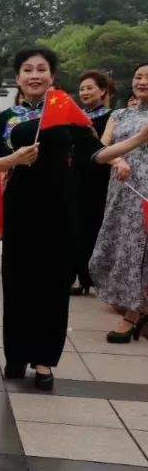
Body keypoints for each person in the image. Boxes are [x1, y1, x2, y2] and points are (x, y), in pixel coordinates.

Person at [0, 48, 104, 391]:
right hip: (21, 209)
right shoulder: (6, 118)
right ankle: (17, 355)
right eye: (27, 69)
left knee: (53, 286)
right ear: (18, 77)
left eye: (41, 69)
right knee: (19, 282)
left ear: (52, 76)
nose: (34, 75)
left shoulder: (68, 113)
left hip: (61, 210)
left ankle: (44, 361)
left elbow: (96, 154)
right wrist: (16, 159)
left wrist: (134, 144)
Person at [90, 62, 148, 341]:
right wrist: (118, 158)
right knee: (114, 247)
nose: (143, 81)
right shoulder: (120, 114)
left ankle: (133, 316)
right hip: (121, 190)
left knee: (138, 250)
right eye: (139, 76)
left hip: (145, 195)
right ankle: (132, 304)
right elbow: (102, 146)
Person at [70, 70, 115, 296]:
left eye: (90, 88)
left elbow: (106, 148)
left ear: (103, 91)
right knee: (75, 225)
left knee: (94, 226)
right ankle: (78, 275)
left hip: (100, 177)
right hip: (76, 176)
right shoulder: (75, 116)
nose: (85, 92)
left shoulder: (112, 117)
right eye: (82, 89)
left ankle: (92, 276)